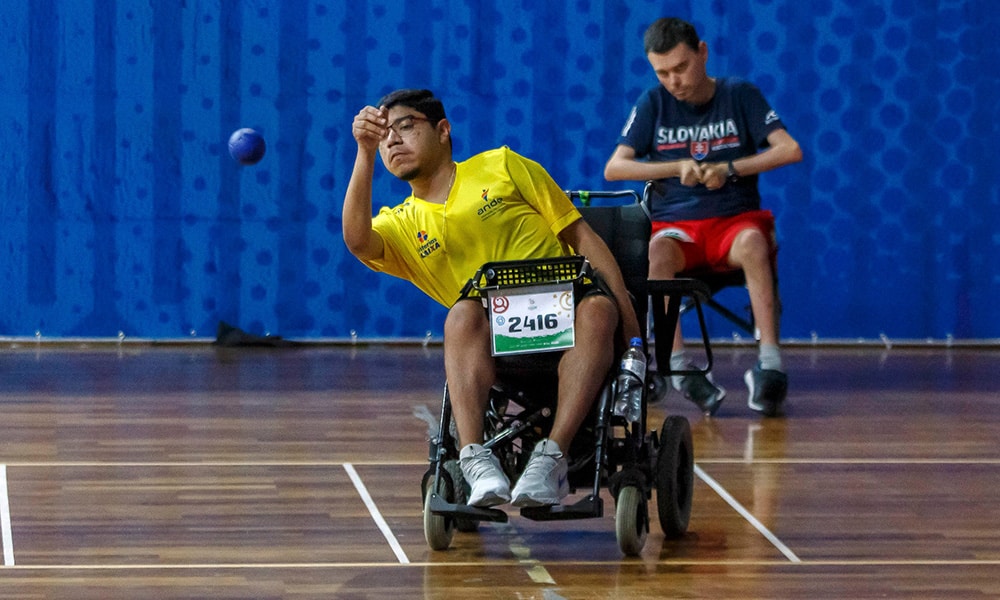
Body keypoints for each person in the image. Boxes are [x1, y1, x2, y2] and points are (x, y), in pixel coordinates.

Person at [344, 89, 641, 507]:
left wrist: (632, 337)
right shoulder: (402, 224)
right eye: (384, 135)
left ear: (443, 130)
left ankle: (551, 458)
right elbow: (358, 240)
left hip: (571, 327)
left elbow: (583, 239)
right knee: (462, 315)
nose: (392, 139)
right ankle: (474, 459)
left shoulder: (501, 165)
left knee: (597, 308)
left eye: (406, 126)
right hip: (496, 355)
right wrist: (364, 152)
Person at [604, 17, 802, 417]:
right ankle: (677, 365)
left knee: (754, 243)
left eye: (681, 67)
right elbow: (616, 168)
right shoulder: (652, 104)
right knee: (656, 252)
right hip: (679, 227)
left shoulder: (739, 95)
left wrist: (730, 169)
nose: (673, 80)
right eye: (662, 72)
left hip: (733, 221)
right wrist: (675, 167)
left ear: (703, 53)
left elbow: (790, 149)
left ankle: (769, 363)